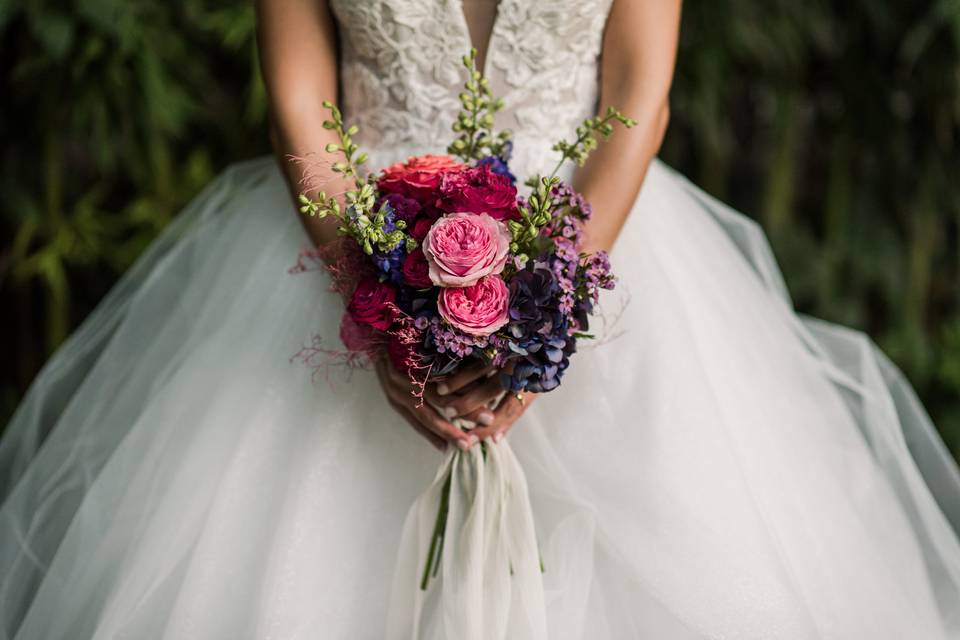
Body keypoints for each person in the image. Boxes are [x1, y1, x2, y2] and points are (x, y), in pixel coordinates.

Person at [1, 0, 959, 637]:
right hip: (353, 236)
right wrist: (379, 307)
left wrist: (545, 311)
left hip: (598, 237)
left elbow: (638, 95)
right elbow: (300, 97)